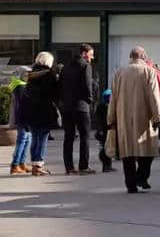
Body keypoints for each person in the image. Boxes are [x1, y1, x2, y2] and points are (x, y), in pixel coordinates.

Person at [108, 46, 160, 194]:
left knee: (128, 153)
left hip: (123, 117)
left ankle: (130, 185)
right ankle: (142, 176)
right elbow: (154, 96)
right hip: (144, 117)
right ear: (143, 56)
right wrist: (158, 116)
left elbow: (114, 97)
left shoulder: (119, 72)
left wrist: (111, 117)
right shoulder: (149, 71)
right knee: (148, 150)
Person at [60, 43, 95, 175]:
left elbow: (60, 86)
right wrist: (90, 100)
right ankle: (83, 166)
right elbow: (87, 85)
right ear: (84, 53)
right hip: (81, 107)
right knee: (84, 137)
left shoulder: (65, 67)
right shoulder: (85, 65)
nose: (92, 58)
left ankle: (69, 167)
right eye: (91, 55)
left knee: (68, 137)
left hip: (67, 107)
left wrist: (63, 101)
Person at [25, 52, 60, 176]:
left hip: (32, 110)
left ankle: (35, 165)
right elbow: (55, 94)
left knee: (35, 137)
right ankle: (39, 166)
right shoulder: (49, 75)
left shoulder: (31, 74)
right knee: (43, 137)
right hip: (45, 110)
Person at [8, 68, 32, 175]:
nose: (29, 77)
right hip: (23, 118)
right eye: (27, 74)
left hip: (24, 118)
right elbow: (23, 106)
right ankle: (15, 165)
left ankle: (21, 163)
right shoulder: (21, 87)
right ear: (23, 75)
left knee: (26, 140)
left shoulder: (21, 86)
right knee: (22, 141)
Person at [94, 89, 116, 173]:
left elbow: (97, 119)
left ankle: (107, 166)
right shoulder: (107, 106)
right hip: (106, 131)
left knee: (107, 148)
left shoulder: (101, 105)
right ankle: (107, 166)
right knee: (107, 148)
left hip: (105, 130)